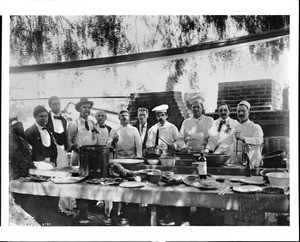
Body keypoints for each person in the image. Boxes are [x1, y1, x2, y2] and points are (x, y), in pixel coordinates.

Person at [227, 100, 264, 168]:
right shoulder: (234, 128)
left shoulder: (255, 127)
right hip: (236, 161)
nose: (241, 113)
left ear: (248, 112)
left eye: (243, 111)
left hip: (251, 161)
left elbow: (259, 140)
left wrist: (243, 138)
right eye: (238, 111)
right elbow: (227, 144)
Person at [25, 105, 57, 169]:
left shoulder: (48, 131)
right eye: (41, 116)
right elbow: (29, 152)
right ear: (35, 117)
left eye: (46, 116)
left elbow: (53, 148)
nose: (44, 118)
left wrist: (53, 162)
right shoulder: (29, 132)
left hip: (50, 165)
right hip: (37, 165)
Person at [67, 97, 97, 166]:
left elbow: (94, 139)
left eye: (89, 108)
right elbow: (68, 141)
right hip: (78, 156)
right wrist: (78, 149)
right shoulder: (74, 123)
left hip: (90, 156)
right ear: (79, 109)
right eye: (84, 107)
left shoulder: (92, 123)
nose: (87, 109)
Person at [46, 96, 69, 167]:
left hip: (62, 152)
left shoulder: (63, 120)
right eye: (55, 104)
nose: (58, 106)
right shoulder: (46, 118)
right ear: (50, 106)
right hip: (50, 152)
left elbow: (65, 135)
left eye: (59, 104)